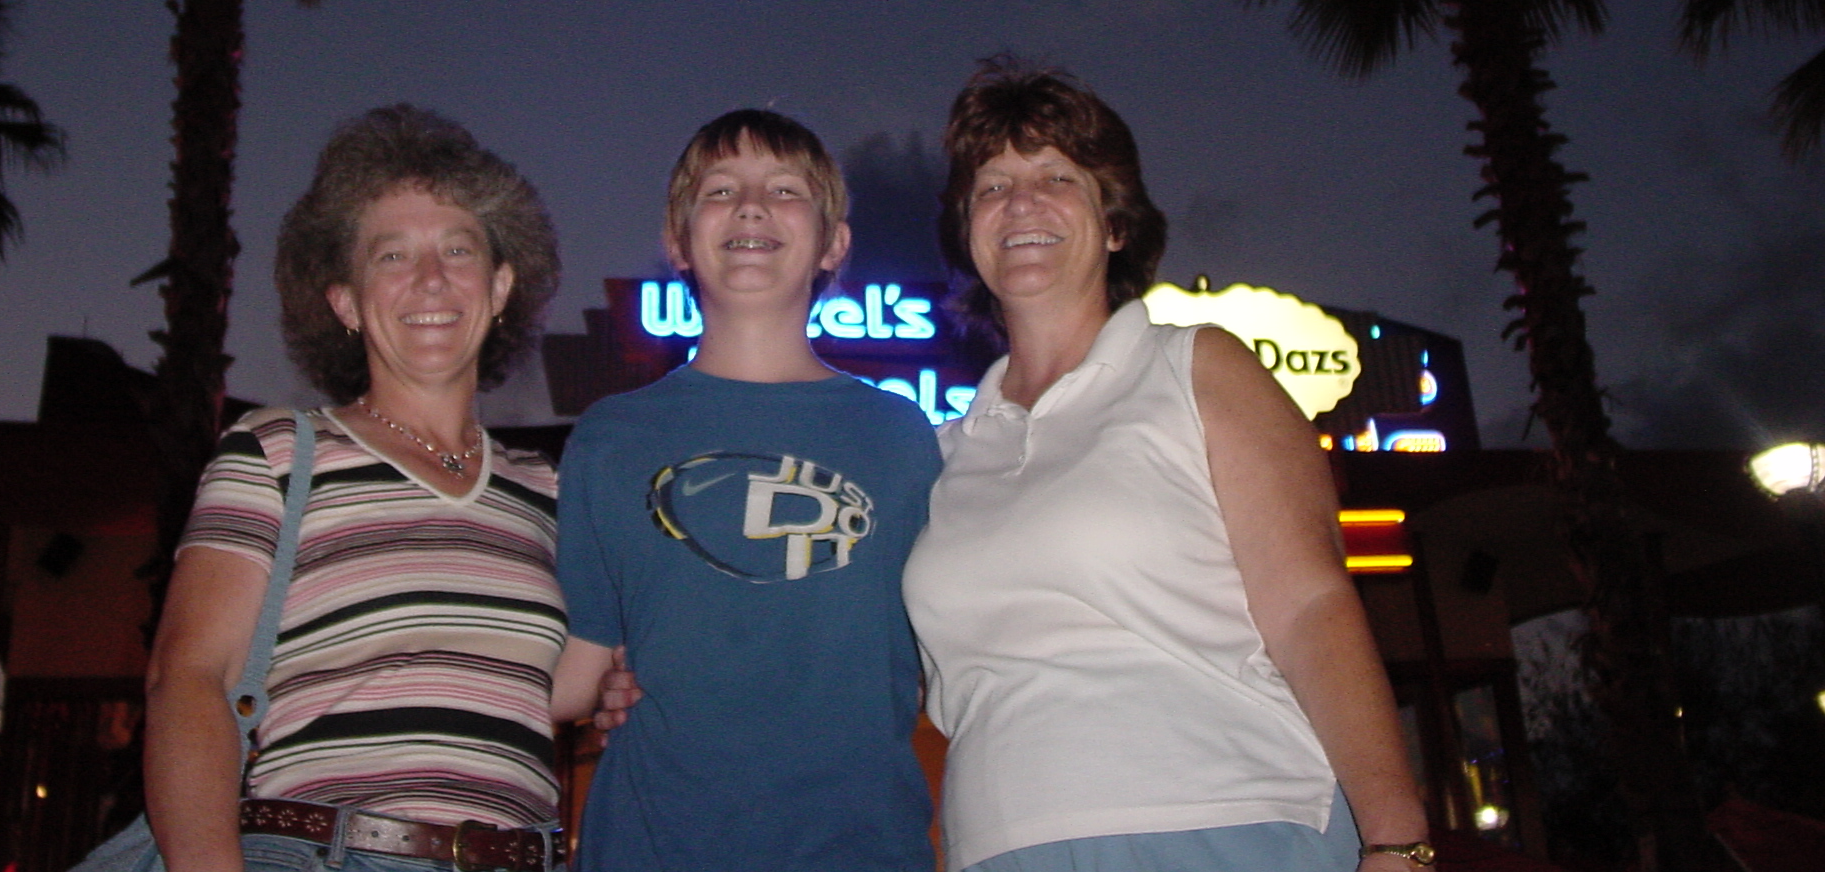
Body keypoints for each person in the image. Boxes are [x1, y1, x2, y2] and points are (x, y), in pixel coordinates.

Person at [901, 60, 1435, 872]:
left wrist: (1398, 837)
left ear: (1116, 224)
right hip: (1001, 847)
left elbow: (1310, 604)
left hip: (1228, 824)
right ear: (969, 233)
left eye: (1057, 178)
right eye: (992, 186)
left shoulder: (1196, 366)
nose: (1021, 202)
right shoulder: (944, 455)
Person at [145, 104, 568, 872]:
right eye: (392, 255)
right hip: (331, 855)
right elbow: (189, 680)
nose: (431, 278)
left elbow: (551, 688)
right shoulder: (277, 454)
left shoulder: (547, 492)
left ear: (502, 285)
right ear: (344, 301)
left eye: (458, 249)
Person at [551, 109, 942, 872]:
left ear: (834, 243)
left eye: (785, 189)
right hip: (650, 847)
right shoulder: (611, 437)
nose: (752, 206)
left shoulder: (900, 437)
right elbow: (576, 667)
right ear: (677, 240)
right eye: (720, 190)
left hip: (857, 849)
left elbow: (948, 655)